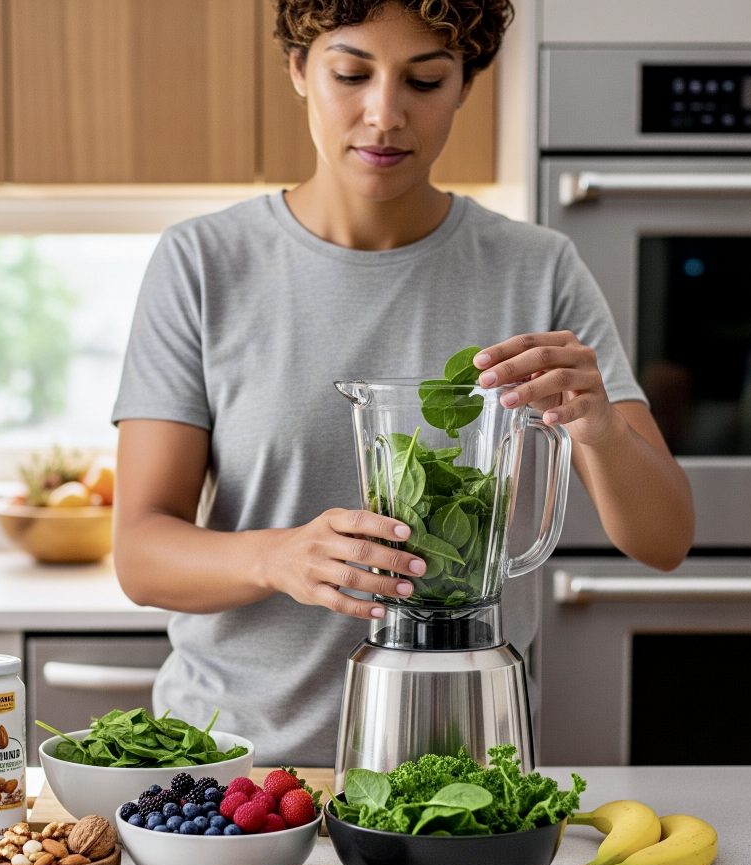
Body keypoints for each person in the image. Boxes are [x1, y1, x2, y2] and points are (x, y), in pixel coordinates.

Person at [110, 0, 694, 766]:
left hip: (462, 769)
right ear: (298, 70)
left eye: (424, 80)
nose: (383, 113)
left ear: (464, 86)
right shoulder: (203, 263)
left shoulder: (537, 269)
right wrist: (275, 557)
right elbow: (141, 554)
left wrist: (600, 429)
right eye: (351, 73)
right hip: (236, 771)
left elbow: (663, 540)